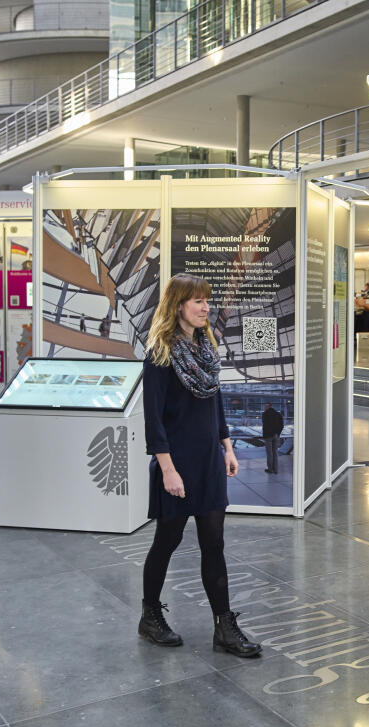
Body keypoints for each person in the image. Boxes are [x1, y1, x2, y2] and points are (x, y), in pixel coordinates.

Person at [138, 273, 261, 659]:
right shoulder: (159, 355)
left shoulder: (207, 349)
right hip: (177, 464)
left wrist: (227, 447)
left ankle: (224, 626)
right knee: (167, 541)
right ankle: (150, 616)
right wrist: (168, 470)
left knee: (214, 543)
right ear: (178, 307)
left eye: (207, 301)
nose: (206, 307)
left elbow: (215, 403)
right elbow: (153, 421)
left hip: (208, 460)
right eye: (197, 301)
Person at [262, 402, 284, 474]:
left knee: (269, 453)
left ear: (268, 406)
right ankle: (276, 469)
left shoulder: (265, 414)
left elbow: (266, 425)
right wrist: (277, 433)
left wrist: (271, 433)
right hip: (276, 436)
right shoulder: (278, 414)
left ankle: (270, 469)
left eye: (265, 407)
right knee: (275, 452)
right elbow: (281, 425)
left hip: (268, 436)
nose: (264, 408)